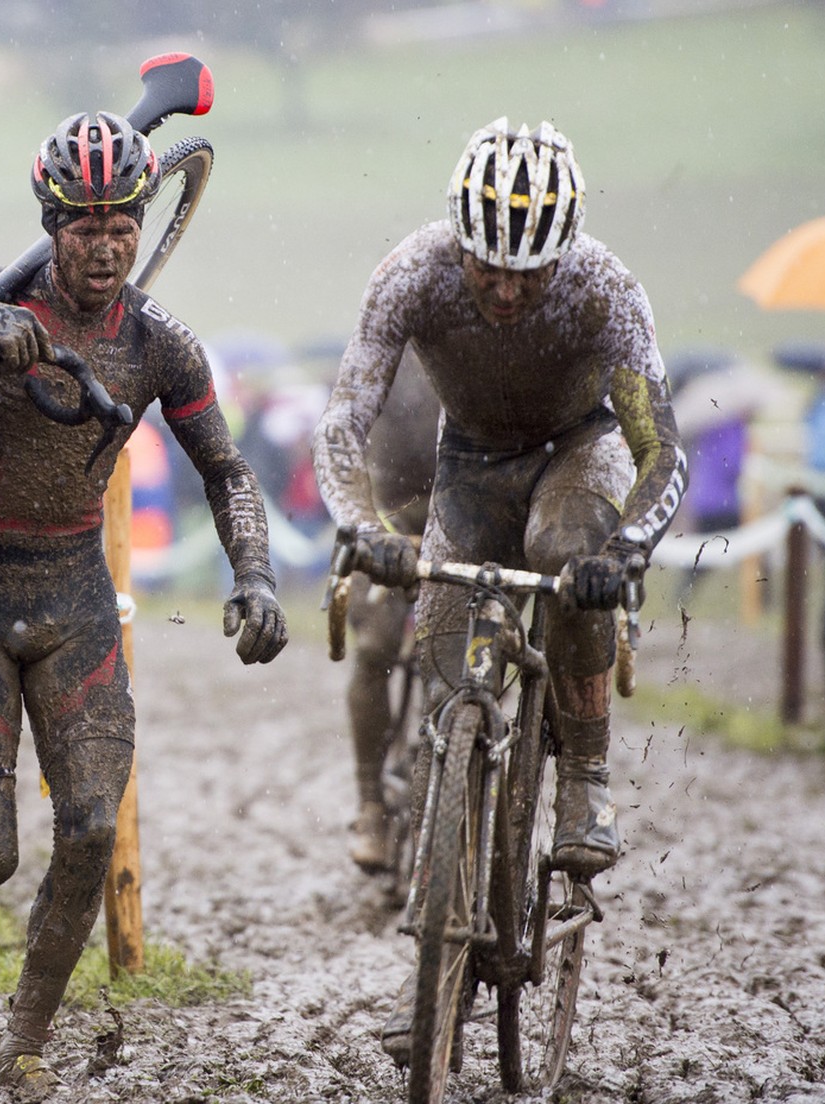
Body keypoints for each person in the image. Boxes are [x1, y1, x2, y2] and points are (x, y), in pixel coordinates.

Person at [0, 110, 288, 1095]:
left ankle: (25, 1041)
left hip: (75, 599)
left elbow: (224, 469)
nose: (105, 245)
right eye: (84, 225)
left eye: (121, 224)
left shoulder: (159, 346)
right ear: (51, 225)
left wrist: (254, 576)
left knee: (92, 827)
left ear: (142, 222)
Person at [311, 117, 687, 1062]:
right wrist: (364, 530)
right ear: (459, 242)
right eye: (490, 269)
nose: (509, 290)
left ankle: (586, 776)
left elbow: (659, 449)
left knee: (570, 555)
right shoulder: (412, 274)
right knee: (449, 681)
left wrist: (630, 547)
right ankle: (431, 967)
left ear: (566, 251)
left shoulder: (605, 290)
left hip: (579, 450)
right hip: (470, 467)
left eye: (532, 272)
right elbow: (343, 424)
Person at [341, 349, 438, 873]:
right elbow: (351, 452)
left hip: (469, 524)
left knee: (458, 658)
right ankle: (371, 803)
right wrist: (376, 530)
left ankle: (449, 778)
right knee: (375, 647)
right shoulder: (386, 347)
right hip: (389, 519)